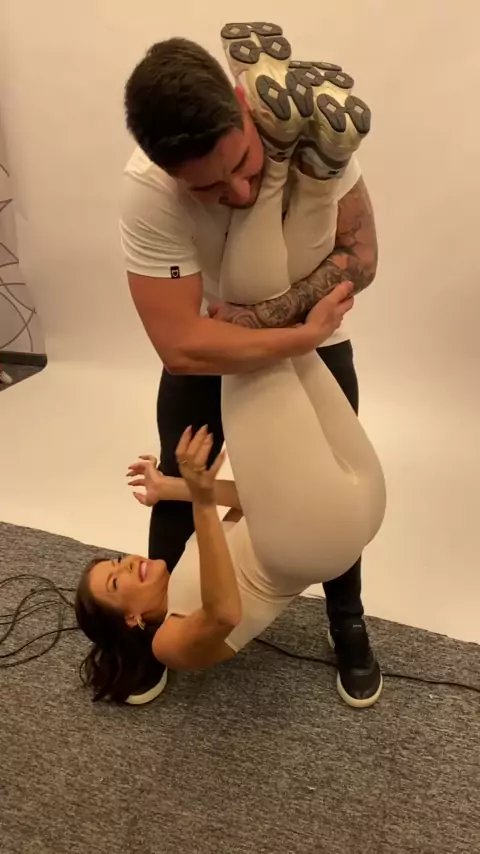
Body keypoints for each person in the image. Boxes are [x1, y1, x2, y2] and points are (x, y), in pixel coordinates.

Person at [89, 23, 380, 706]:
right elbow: (181, 346)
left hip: (281, 328)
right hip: (218, 342)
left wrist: (275, 325)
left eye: (248, 163)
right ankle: (295, 171)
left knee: (293, 483)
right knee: (189, 455)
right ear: (168, 172)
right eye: (211, 188)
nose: (240, 191)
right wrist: (290, 334)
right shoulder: (147, 191)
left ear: (245, 108)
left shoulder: (302, 120)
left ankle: (347, 619)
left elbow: (362, 260)